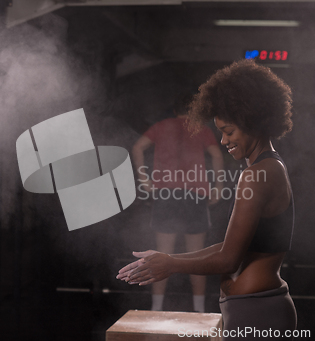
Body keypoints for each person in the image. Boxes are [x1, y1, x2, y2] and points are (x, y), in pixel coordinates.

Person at [117, 59, 296, 340]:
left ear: (253, 123)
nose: (223, 141)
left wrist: (170, 265)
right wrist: (167, 258)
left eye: (228, 131)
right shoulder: (264, 168)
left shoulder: (260, 173)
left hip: (258, 311)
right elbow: (228, 246)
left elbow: (228, 260)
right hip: (253, 308)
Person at [131, 93, 224, 312]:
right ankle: (200, 310)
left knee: (160, 256)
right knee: (198, 257)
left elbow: (137, 147)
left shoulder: (162, 125)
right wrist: (218, 187)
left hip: (166, 195)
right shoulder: (201, 128)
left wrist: (144, 180)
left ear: (175, 111)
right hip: (195, 195)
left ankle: (156, 309)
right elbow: (217, 156)